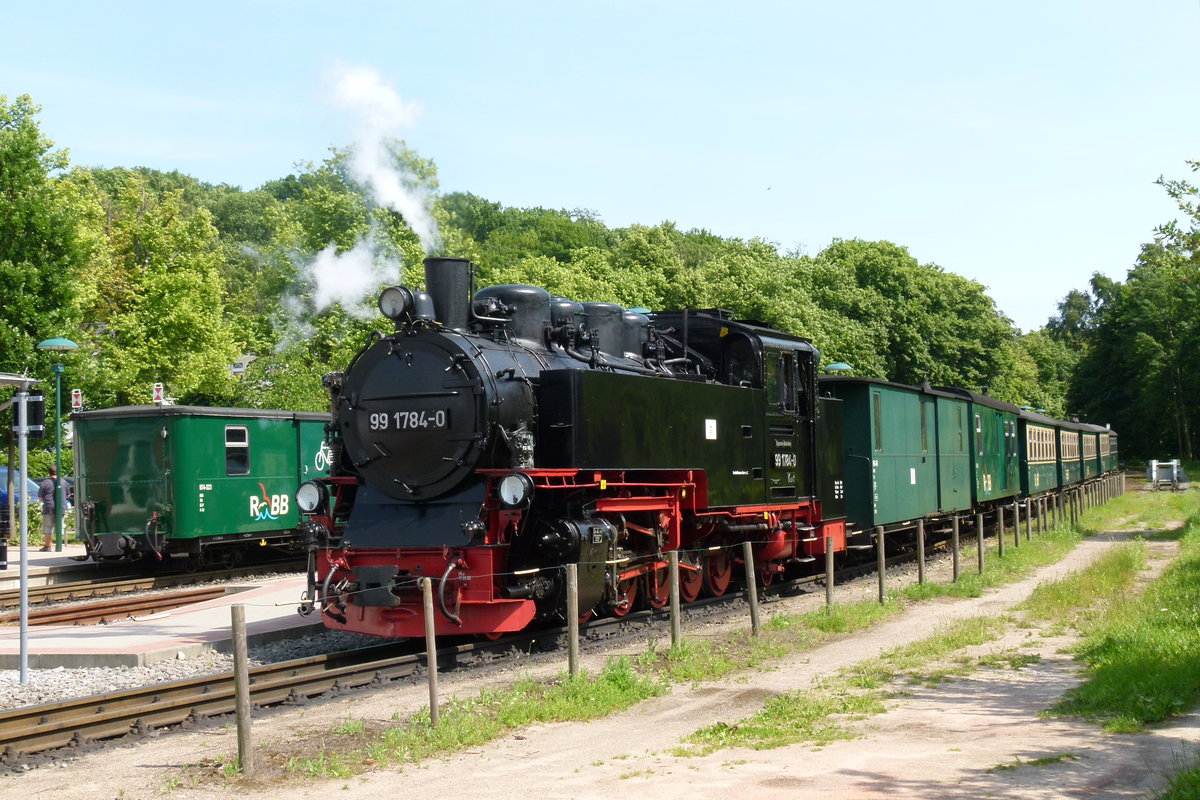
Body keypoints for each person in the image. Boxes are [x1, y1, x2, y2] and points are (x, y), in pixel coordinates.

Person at [38, 466, 56, 551]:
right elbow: (67, 495)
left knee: (48, 527)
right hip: (61, 507)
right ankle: (59, 545)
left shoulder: (45, 483)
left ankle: (47, 546)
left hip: (48, 507)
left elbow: (40, 498)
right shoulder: (63, 482)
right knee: (60, 527)